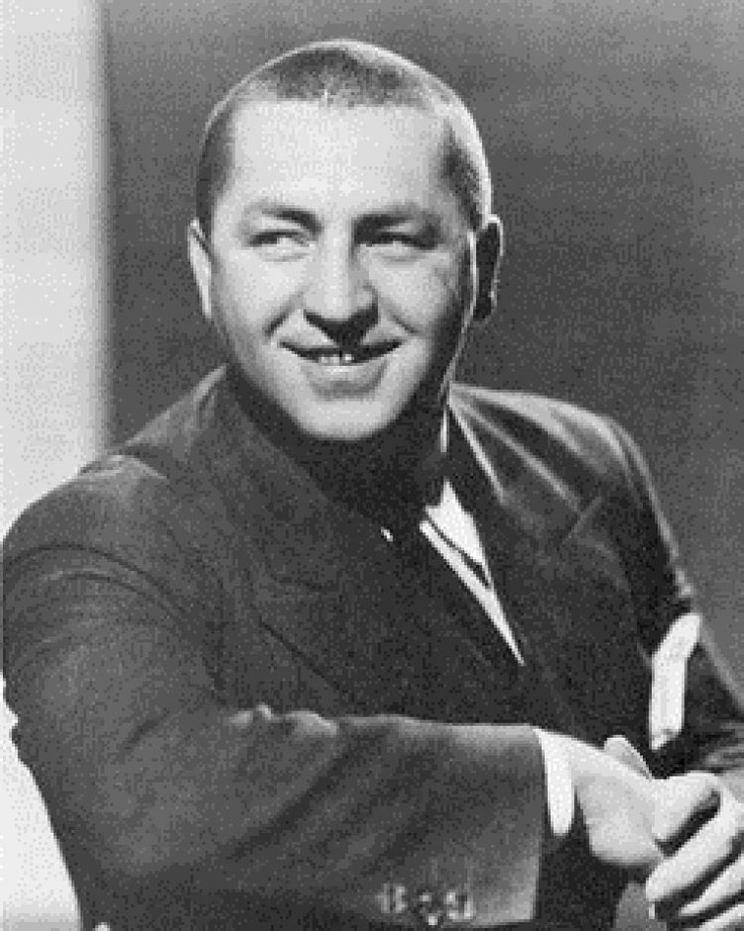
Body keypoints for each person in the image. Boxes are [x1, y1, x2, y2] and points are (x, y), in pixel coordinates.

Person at [3, 39, 743, 930]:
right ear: (206, 270)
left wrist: (726, 828)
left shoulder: (583, 463)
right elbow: (150, 812)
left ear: (483, 268)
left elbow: (713, 745)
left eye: (392, 238)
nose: (338, 301)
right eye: (281, 238)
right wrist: (556, 787)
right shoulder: (101, 537)